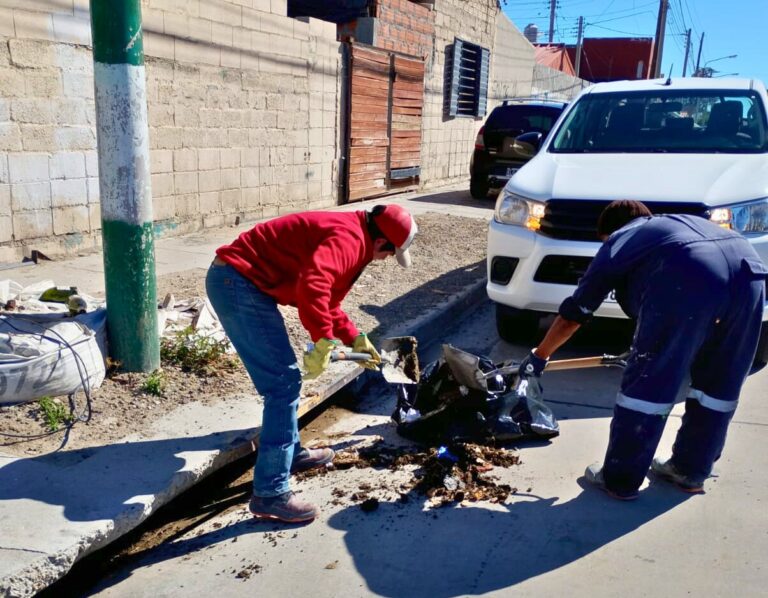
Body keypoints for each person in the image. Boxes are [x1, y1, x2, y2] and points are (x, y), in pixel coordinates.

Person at [517, 200, 767, 500]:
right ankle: (690, 470)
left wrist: (540, 355)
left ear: (608, 233)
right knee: (719, 382)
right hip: (750, 277)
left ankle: (620, 478)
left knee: (649, 383)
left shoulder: (621, 240)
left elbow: (575, 314)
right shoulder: (672, 227)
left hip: (691, 273)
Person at [206, 204, 418, 522]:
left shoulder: (355, 235)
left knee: (285, 382)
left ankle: (290, 455)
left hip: (242, 281)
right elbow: (313, 287)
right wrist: (322, 341)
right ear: (381, 242)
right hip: (237, 282)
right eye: (389, 253)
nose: (385, 259)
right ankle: (270, 493)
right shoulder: (349, 239)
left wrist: (358, 342)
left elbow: (329, 302)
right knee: (282, 383)